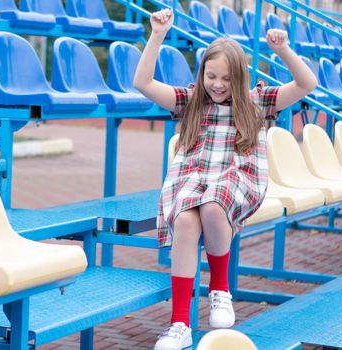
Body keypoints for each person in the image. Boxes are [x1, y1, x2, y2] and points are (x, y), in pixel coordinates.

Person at [133, 8, 318, 350]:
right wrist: (157, 35)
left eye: (226, 78)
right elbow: (142, 83)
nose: (217, 85)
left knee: (215, 205)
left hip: (237, 179)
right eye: (211, 76)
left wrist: (283, 51)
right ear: (202, 73)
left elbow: (307, 84)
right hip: (192, 177)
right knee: (187, 223)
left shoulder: (257, 101)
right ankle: (179, 324)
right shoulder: (190, 101)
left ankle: (219, 287)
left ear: (240, 77)